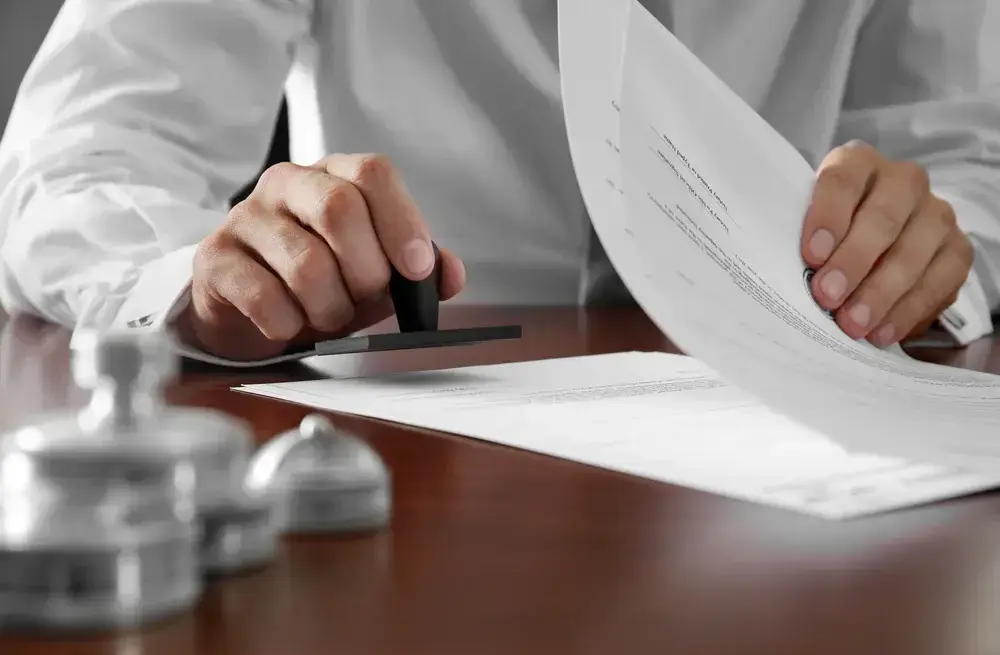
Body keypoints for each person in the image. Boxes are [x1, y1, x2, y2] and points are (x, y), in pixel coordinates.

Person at [0, 0, 998, 364]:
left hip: (811, 455)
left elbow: (965, 153)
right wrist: (207, 281)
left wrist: (928, 250)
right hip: (412, 469)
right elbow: (80, 154)